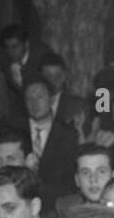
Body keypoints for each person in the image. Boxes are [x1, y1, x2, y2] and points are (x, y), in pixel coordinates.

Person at [24, 76, 79, 211]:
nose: (34, 103)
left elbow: (68, 180)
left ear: (52, 99)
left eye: (40, 97)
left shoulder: (68, 135)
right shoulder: (16, 130)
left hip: (55, 209)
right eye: (29, 99)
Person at [48, 143, 114, 218]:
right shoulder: (67, 207)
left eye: (101, 171)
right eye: (85, 173)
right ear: (77, 180)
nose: (93, 179)